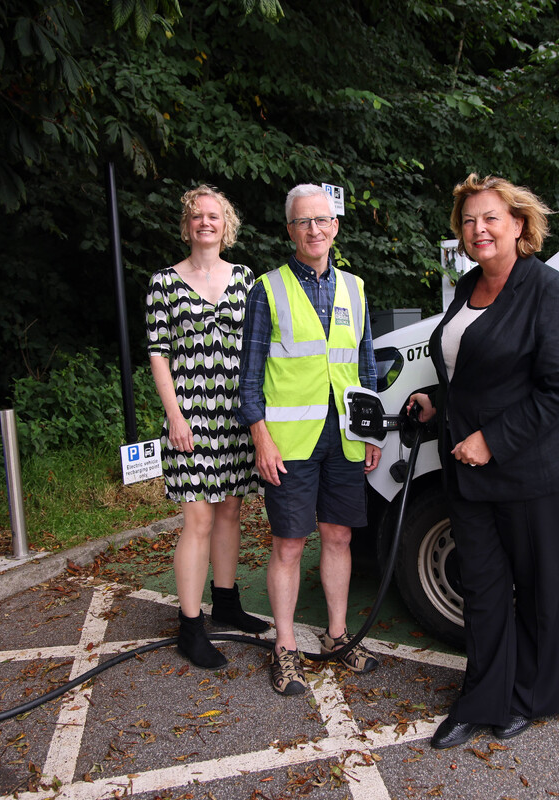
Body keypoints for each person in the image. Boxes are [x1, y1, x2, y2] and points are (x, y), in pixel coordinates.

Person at [408, 174, 559, 749]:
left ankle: (533, 696)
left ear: (519, 225)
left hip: (534, 471)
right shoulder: (469, 285)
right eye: (469, 221)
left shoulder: (549, 290)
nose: (478, 229)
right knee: (485, 588)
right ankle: (485, 697)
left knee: (538, 587)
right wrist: (436, 403)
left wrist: (491, 440)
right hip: (469, 471)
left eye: (491, 218)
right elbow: (481, 375)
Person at [237, 183, 382, 696]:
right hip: (289, 442)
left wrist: (370, 429)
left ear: (335, 226)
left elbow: (363, 369)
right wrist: (261, 438)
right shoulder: (266, 289)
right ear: (290, 231)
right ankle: (285, 647)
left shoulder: (356, 289)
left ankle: (336, 637)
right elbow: (249, 377)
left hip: (342, 438)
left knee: (339, 537)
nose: (314, 230)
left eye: (321, 220)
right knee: (290, 543)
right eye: (303, 222)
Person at [146, 184, 269, 670]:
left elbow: (258, 349)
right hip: (190, 417)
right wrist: (174, 414)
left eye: (213, 216)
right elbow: (158, 352)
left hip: (236, 414)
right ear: (187, 224)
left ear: (227, 224)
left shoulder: (245, 279)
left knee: (230, 513)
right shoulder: (164, 283)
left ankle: (228, 602)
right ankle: (190, 626)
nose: (205, 222)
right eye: (197, 216)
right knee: (197, 518)